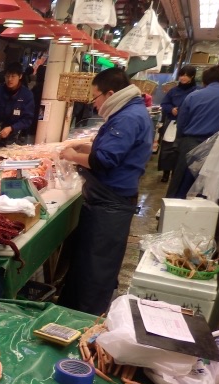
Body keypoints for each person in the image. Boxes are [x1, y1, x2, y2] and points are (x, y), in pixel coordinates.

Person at [57, 68, 153, 315]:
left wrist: (73, 156)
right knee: (87, 263)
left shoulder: (127, 117)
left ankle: (84, 321)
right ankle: (72, 312)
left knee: (95, 269)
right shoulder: (131, 111)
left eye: (96, 97)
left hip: (111, 203)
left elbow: (105, 161)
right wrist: (88, 147)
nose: (94, 103)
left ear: (110, 94)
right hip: (107, 199)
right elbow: (116, 152)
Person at [166, 65, 219, 199]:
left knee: (181, 183)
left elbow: (181, 123)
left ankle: (174, 208)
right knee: (210, 187)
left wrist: (179, 141)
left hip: (190, 144)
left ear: (204, 80)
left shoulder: (193, 96)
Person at [158, 66, 198, 183]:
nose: (183, 78)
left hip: (187, 125)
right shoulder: (173, 91)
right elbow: (164, 104)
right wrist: (171, 109)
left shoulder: (197, 91)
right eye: (181, 75)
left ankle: (176, 174)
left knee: (180, 150)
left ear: (192, 76)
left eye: (186, 75)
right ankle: (166, 172)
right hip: (172, 123)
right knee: (167, 148)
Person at [0, 62, 34, 150]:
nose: (9, 79)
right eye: (7, 76)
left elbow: (27, 119)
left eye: (13, 76)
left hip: (17, 138)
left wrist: (11, 128)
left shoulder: (27, 95)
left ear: (20, 76)